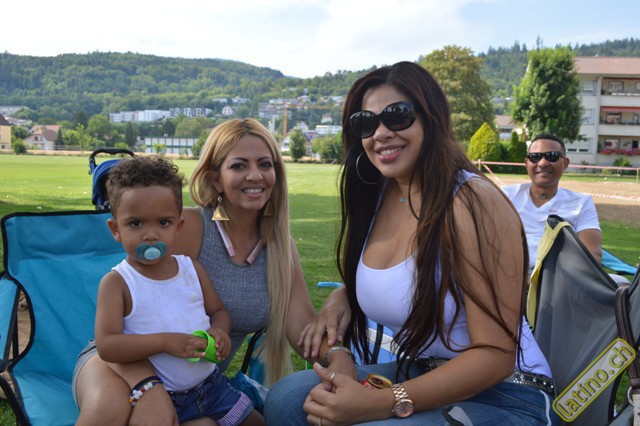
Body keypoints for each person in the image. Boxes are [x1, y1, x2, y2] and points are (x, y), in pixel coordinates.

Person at [264, 61, 558, 425]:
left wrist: (380, 403)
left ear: (431, 119)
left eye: (397, 116)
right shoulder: (380, 194)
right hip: (422, 369)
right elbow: (412, 282)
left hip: (508, 394)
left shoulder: (471, 202)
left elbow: (496, 355)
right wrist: (345, 297)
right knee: (287, 400)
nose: (380, 133)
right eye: (366, 123)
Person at [73, 119, 316, 425]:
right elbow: (125, 320)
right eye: (239, 165)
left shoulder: (280, 250)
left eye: (265, 164)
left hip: (196, 384)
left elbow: (302, 328)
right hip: (121, 366)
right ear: (215, 179)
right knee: (112, 408)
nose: (255, 175)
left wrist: (337, 348)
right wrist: (149, 387)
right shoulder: (188, 227)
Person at [94, 155, 263, 425]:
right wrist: (165, 342)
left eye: (163, 223)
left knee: (256, 422)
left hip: (210, 387)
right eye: (136, 223)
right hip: (163, 396)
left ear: (178, 226)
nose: (151, 235)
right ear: (115, 229)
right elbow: (107, 346)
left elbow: (218, 311)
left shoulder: (191, 269)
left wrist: (219, 330)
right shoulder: (117, 283)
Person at [501, 133, 602, 273]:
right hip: (509, 276)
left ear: (565, 163)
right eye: (535, 157)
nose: (542, 163)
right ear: (526, 163)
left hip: (558, 279)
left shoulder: (581, 203)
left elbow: (592, 255)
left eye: (552, 156)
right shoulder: (506, 196)